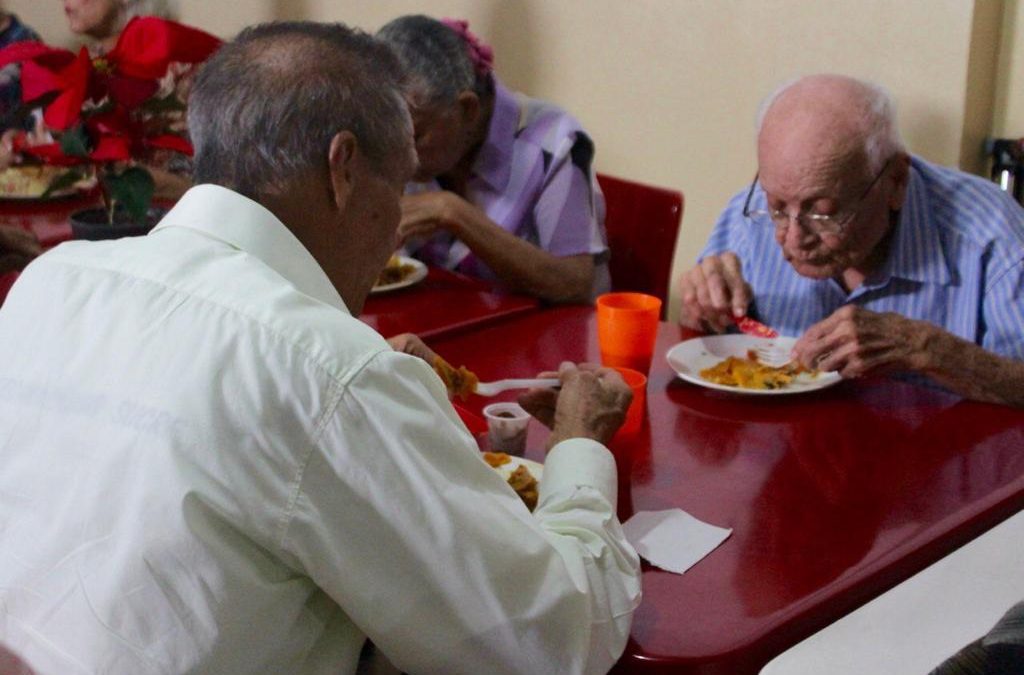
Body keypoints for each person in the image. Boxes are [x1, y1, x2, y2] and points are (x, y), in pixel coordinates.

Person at [0, 20, 641, 675]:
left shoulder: (50, 280)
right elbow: (553, 641)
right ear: (344, 169)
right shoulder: (328, 370)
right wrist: (579, 446)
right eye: (398, 189)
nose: (397, 228)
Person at [679, 74, 1024, 407]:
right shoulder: (749, 212)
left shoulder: (990, 237)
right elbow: (704, 345)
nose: (794, 239)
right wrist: (702, 311)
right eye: (777, 208)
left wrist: (929, 350)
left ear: (896, 182)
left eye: (823, 212)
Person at [376, 15, 609, 304]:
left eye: (415, 135)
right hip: (444, 326)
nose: (397, 154)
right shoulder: (410, 140)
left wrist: (451, 212)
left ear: (467, 110)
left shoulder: (552, 142)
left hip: (544, 337)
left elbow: (574, 284)